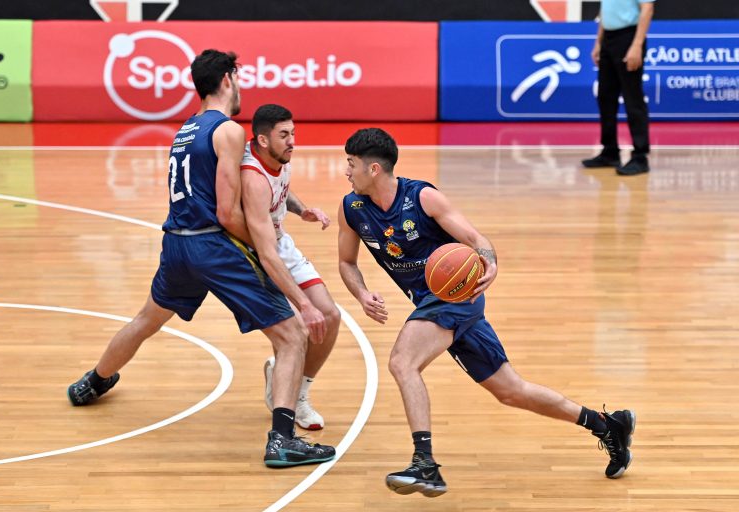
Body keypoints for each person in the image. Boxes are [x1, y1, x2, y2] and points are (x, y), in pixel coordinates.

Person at [66, 49, 335, 468]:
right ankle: (282, 442)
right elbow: (227, 213)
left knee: (147, 320)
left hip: (176, 243)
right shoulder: (227, 130)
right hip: (212, 246)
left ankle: (93, 382)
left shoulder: (187, 128)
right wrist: (264, 243)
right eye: (238, 78)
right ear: (227, 79)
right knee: (292, 336)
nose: (240, 86)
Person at [338, 128, 635, 497]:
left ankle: (424, 463)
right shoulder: (352, 209)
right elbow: (347, 262)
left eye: (351, 164)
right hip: (434, 304)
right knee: (511, 391)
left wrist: (490, 263)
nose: (346, 171)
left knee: (402, 362)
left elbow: (476, 240)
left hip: (456, 296)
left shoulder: (422, 197)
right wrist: (361, 293)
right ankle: (607, 425)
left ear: (374, 169)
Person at [240, 104, 340, 431]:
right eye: (284, 135)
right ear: (263, 140)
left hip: (281, 242)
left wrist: (302, 210)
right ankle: (288, 395)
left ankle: (300, 392)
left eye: (293, 133)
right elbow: (266, 251)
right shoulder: (252, 178)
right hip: (257, 254)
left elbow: (281, 190)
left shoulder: (279, 158)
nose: (292, 141)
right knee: (297, 327)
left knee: (330, 316)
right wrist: (303, 304)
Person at [582, 0, 655, 176]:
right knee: (605, 97)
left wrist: (637, 45)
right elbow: (605, 10)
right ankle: (610, 151)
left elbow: (647, 9)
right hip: (608, 38)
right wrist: (598, 42)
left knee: (632, 97)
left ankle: (640, 156)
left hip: (628, 37)